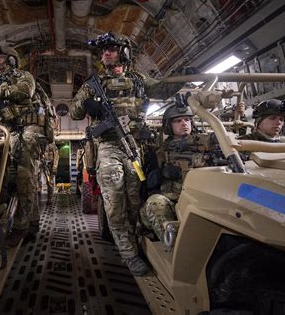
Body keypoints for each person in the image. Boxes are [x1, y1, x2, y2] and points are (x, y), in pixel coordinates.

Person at [70, 32, 187, 276]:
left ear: (123, 53)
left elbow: (164, 89)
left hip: (135, 148)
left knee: (134, 201)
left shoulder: (138, 80)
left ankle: (136, 241)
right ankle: (129, 254)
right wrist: (87, 105)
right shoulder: (94, 84)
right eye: (103, 52)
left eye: (111, 49)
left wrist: (187, 73)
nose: (106, 54)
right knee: (114, 204)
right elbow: (74, 112)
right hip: (109, 147)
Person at [0, 45, 44, 246]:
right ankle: (32, 223)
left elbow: (25, 92)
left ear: (11, 60)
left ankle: (21, 227)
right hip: (5, 129)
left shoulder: (23, 76)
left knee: (24, 175)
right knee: (7, 174)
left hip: (27, 128)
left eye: (0, 56)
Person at [139, 104, 221, 243]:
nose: (184, 123)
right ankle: (175, 247)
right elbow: (149, 182)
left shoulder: (204, 144)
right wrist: (161, 173)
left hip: (200, 201)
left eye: (187, 120)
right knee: (155, 203)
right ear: (169, 126)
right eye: (178, 121)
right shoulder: (161, 151)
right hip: (172, 202)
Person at [39, 141, 59, 206]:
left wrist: (55, 167)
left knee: (50, 182)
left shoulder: (52, 145)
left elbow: (56, 156)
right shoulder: (39, 144)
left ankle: (49, 199)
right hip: (41, 165)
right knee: (37, 181)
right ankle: (38, 197)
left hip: (49, 166)